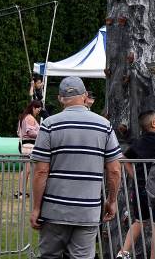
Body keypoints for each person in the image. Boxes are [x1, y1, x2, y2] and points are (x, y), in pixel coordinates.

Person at [30, 75, 122, 259]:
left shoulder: (49, 125)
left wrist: (36, 208)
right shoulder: (104, 126)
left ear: (59, 99)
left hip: (54, 209)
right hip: (87, 211)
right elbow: (114, 170)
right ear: (85, 95)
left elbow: (41, 171)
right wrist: (112, 201)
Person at [118, 110, 155, 259]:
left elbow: (124, 158)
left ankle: (123, 252)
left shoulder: (139, 141)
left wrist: (134, 175)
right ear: (154, 124)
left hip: (140, 187)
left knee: (139, 221)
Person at [16, 101, 43, 198]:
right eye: (38, 110)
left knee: (26, 170)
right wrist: (42, 134)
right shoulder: (30, 118)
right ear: (33, 108)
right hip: (29, 146)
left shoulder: (24, 117)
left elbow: (19, 132)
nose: (38, 112)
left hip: (25, 145)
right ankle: (21, 192)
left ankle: (21, 191)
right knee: (27, 170)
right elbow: (30, 132)